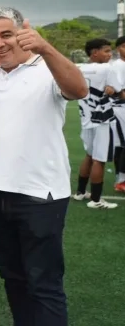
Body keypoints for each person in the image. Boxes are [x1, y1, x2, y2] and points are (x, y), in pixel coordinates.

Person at [0, 8, 88, 326]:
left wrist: (46, 48)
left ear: (23, 34)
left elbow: (78, 90)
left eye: (6, 34)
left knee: (45, 283)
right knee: (13, 279)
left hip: (42, 195)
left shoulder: (48, 70)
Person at [73, 38, 119, 209]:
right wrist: (112, 90)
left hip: (85, 118)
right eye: (106, 51)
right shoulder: (108, 68)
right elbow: (115, 89)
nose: (110, 55)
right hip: (102, 119)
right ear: (94, 52)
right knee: (100, 159)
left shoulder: (79, 68)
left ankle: (80, 192)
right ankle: (96, 200)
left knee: (90, 155)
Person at [109, 36, 125, 192]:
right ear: (119, 48)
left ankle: (120, 179)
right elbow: (119, 91)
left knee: (121, 145)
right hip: (120, 109)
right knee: (122, 145)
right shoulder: (118, 66)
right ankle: (121, 180)